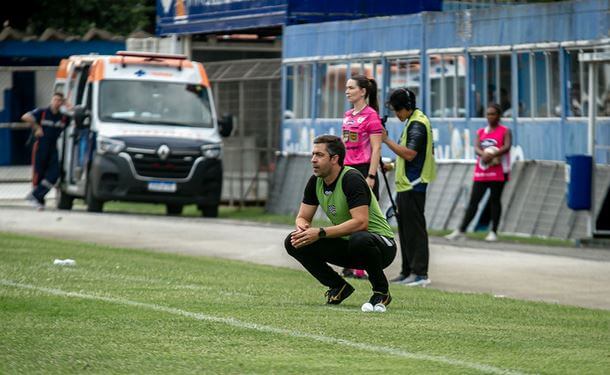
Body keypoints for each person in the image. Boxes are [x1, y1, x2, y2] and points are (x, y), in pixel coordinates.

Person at [284, 135, 397, 312]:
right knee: (293, 241)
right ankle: (338, 286)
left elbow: (361, 223)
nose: (313, 160)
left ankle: (381, 291)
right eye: (313, 154)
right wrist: (302, 228)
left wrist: (320, 232)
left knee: (359, 238)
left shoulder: (351, 179)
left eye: (319, 155)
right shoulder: (316, 181)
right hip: (350, 245)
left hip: (381, 246)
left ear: (334, 159)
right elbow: (303, 217)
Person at [381, 88, 436, 287]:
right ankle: (407, 271)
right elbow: (411, 158)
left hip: (414, 186)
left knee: (415, 231)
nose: (397, 115)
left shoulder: (418, 124)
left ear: (407, 108)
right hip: (406, 185)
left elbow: (411, 154)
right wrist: (392, 166)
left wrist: (386, 139)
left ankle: (420, 273)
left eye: (398, 110)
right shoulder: (412, 122)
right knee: (405, 230)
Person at [445, 103, 512, 242]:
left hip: (498, 171)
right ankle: (461, 229)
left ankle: (493, 231)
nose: (490, 116)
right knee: (474, 201)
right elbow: (476, 147)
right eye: (488, 114)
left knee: (495, 201)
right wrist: (484, 154)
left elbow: (507, 146)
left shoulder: (505, 130)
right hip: (482, 170)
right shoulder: (482, 131)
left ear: (498, 115)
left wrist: (493, 154)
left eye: (493, 114)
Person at [341, 74, 383, 279]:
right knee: (347, 217)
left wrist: (371, 175)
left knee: (365, 220)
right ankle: (349, 262)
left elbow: (376, 149)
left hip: (364, 169)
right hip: (348, 169)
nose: (347, 91)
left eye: (351, 88)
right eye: (346, 88)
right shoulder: (348, 115)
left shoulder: (371, 116)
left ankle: (364, 265)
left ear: (363, 91)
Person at [22, 92, 70, 210]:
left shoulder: (63, 117)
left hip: (53, 147)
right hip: (40, 146)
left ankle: (35, 195)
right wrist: (37, 127)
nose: (57, 102)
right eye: (55, 100)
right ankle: (38, 200)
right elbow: (25, 116)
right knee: (39, 174)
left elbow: (75, 117)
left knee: (54, 174)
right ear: (52, 100)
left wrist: (68, 105)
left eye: (60, 101)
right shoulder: (42, 112)